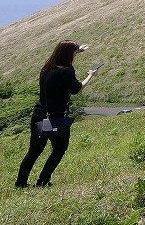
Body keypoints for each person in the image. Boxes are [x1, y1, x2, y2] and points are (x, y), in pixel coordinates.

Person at [17, 41, 97, 188]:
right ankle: (43, 181)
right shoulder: (66, 71)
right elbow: (76, 89)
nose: (75, 55)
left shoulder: (46, 68)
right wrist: (90, 75)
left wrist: (78, 50)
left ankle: (20, 183)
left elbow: (66, 54)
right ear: (68, 55)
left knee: (34, 151)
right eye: (74, 53)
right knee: (59, 149)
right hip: (57, 117)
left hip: (39, 114)